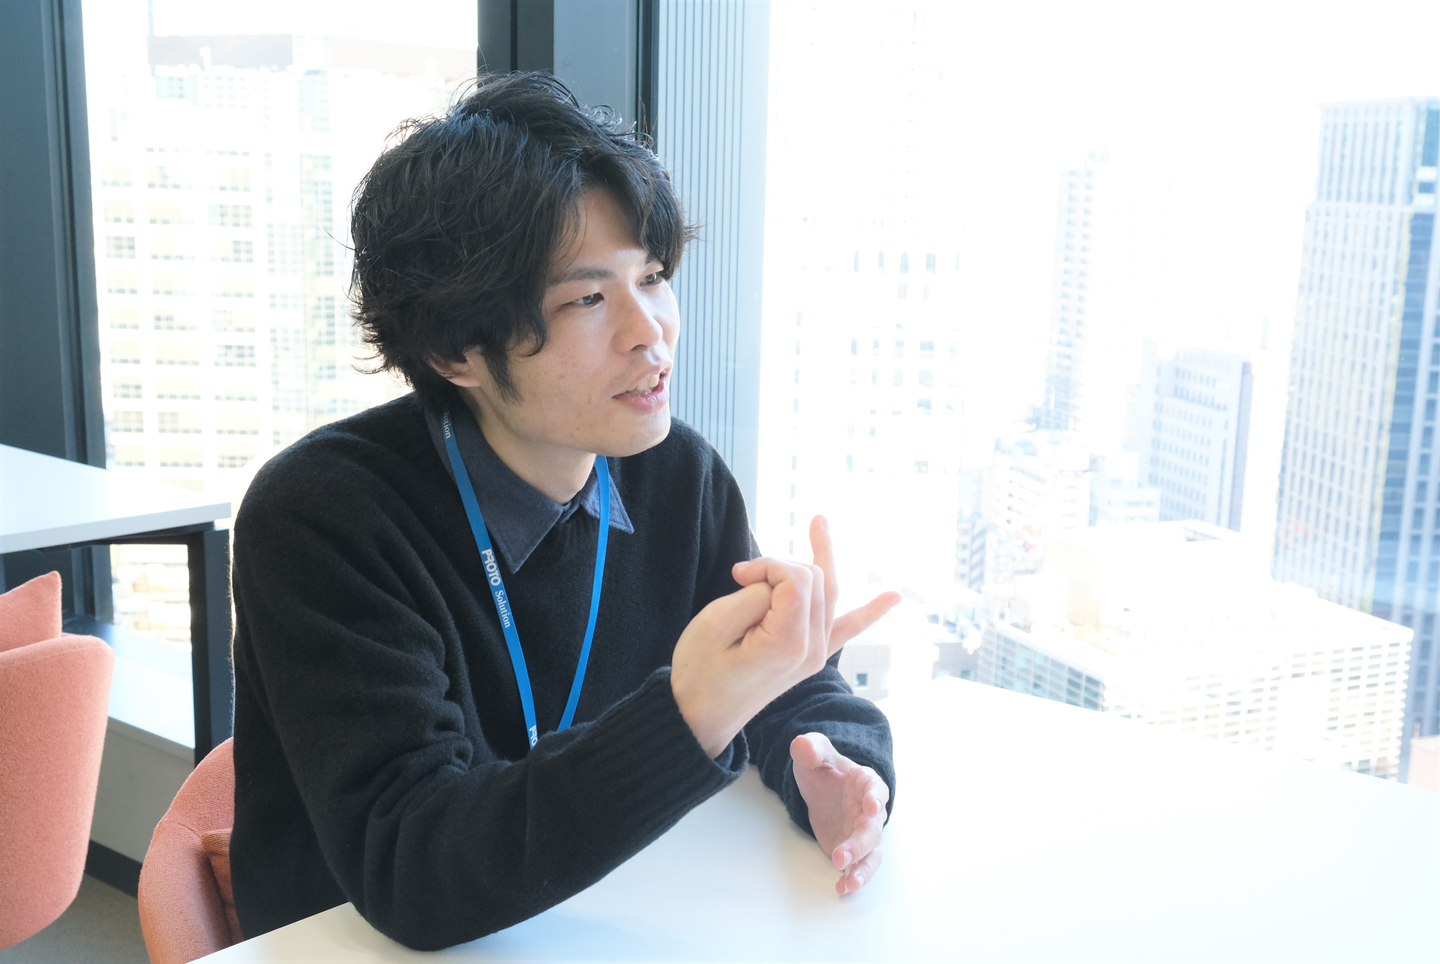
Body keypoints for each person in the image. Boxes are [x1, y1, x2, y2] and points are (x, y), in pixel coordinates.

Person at [229, 72, 900, 951]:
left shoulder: (674, 475)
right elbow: (412, 868)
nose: (649, 331)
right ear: (456, 351)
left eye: (651, 277)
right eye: (588, 298)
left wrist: (836, 763)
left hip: (589, 925)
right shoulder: (324, 519)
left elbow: (772, 679)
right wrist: (691, 712)